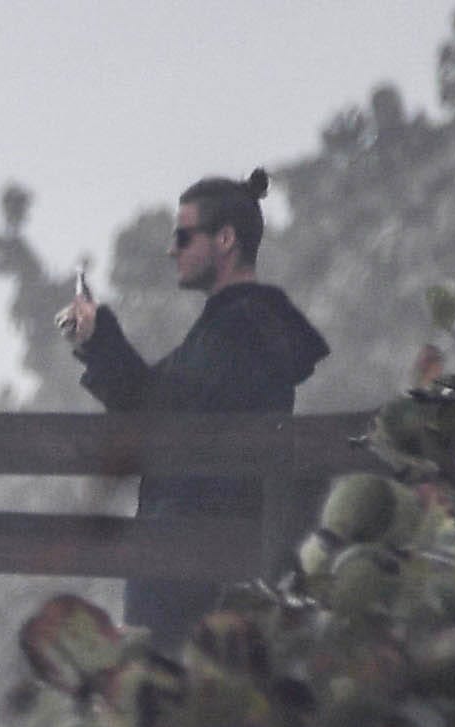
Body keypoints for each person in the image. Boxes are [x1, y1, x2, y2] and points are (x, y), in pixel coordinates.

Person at [62, 168, 333, 649]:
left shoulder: (240, 330)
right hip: (202, 561)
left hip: (193, 572)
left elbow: (154, 413)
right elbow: (158, 401)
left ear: (225, 239)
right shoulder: (240, 326)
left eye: (184, 236)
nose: (173, 249)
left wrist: (101, 338)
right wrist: (98, 337)